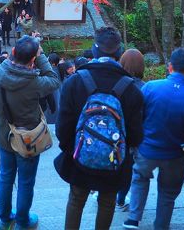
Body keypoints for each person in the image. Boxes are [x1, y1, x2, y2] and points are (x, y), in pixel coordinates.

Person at [54, 27, 144, 230]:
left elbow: (63, 125)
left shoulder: (75, 81)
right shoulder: (131, 88)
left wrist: (72, 148)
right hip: (114, 159)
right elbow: (136, 134)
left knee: (76, 199)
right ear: (119, 53)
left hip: (79, 155)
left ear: (94, 51)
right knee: (107, 201)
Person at [123, 48, 184, 229]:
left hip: (147, 149)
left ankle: (133, 219)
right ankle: (161, 225)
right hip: (176, 155)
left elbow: (138, 117)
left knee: (139, 178)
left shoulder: (150, 87)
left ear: (170, 67)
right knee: (168, 192)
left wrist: (135, 144)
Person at [0, 35, 61, 230]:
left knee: (6, 176)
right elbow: (55, 79)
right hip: (28, 139)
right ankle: (22, 221)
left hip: (4, 136)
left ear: (12, 52)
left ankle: (4, 219)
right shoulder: (35, 83)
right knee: (26, 182)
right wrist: (41, 54)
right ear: (32, 60)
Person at [116, 48, 146, 212]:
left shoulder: (116, 84)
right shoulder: (144, 88)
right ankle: (121, 199)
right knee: (129, 170)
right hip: (135, 137)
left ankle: (106, 194)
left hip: (114, 135)